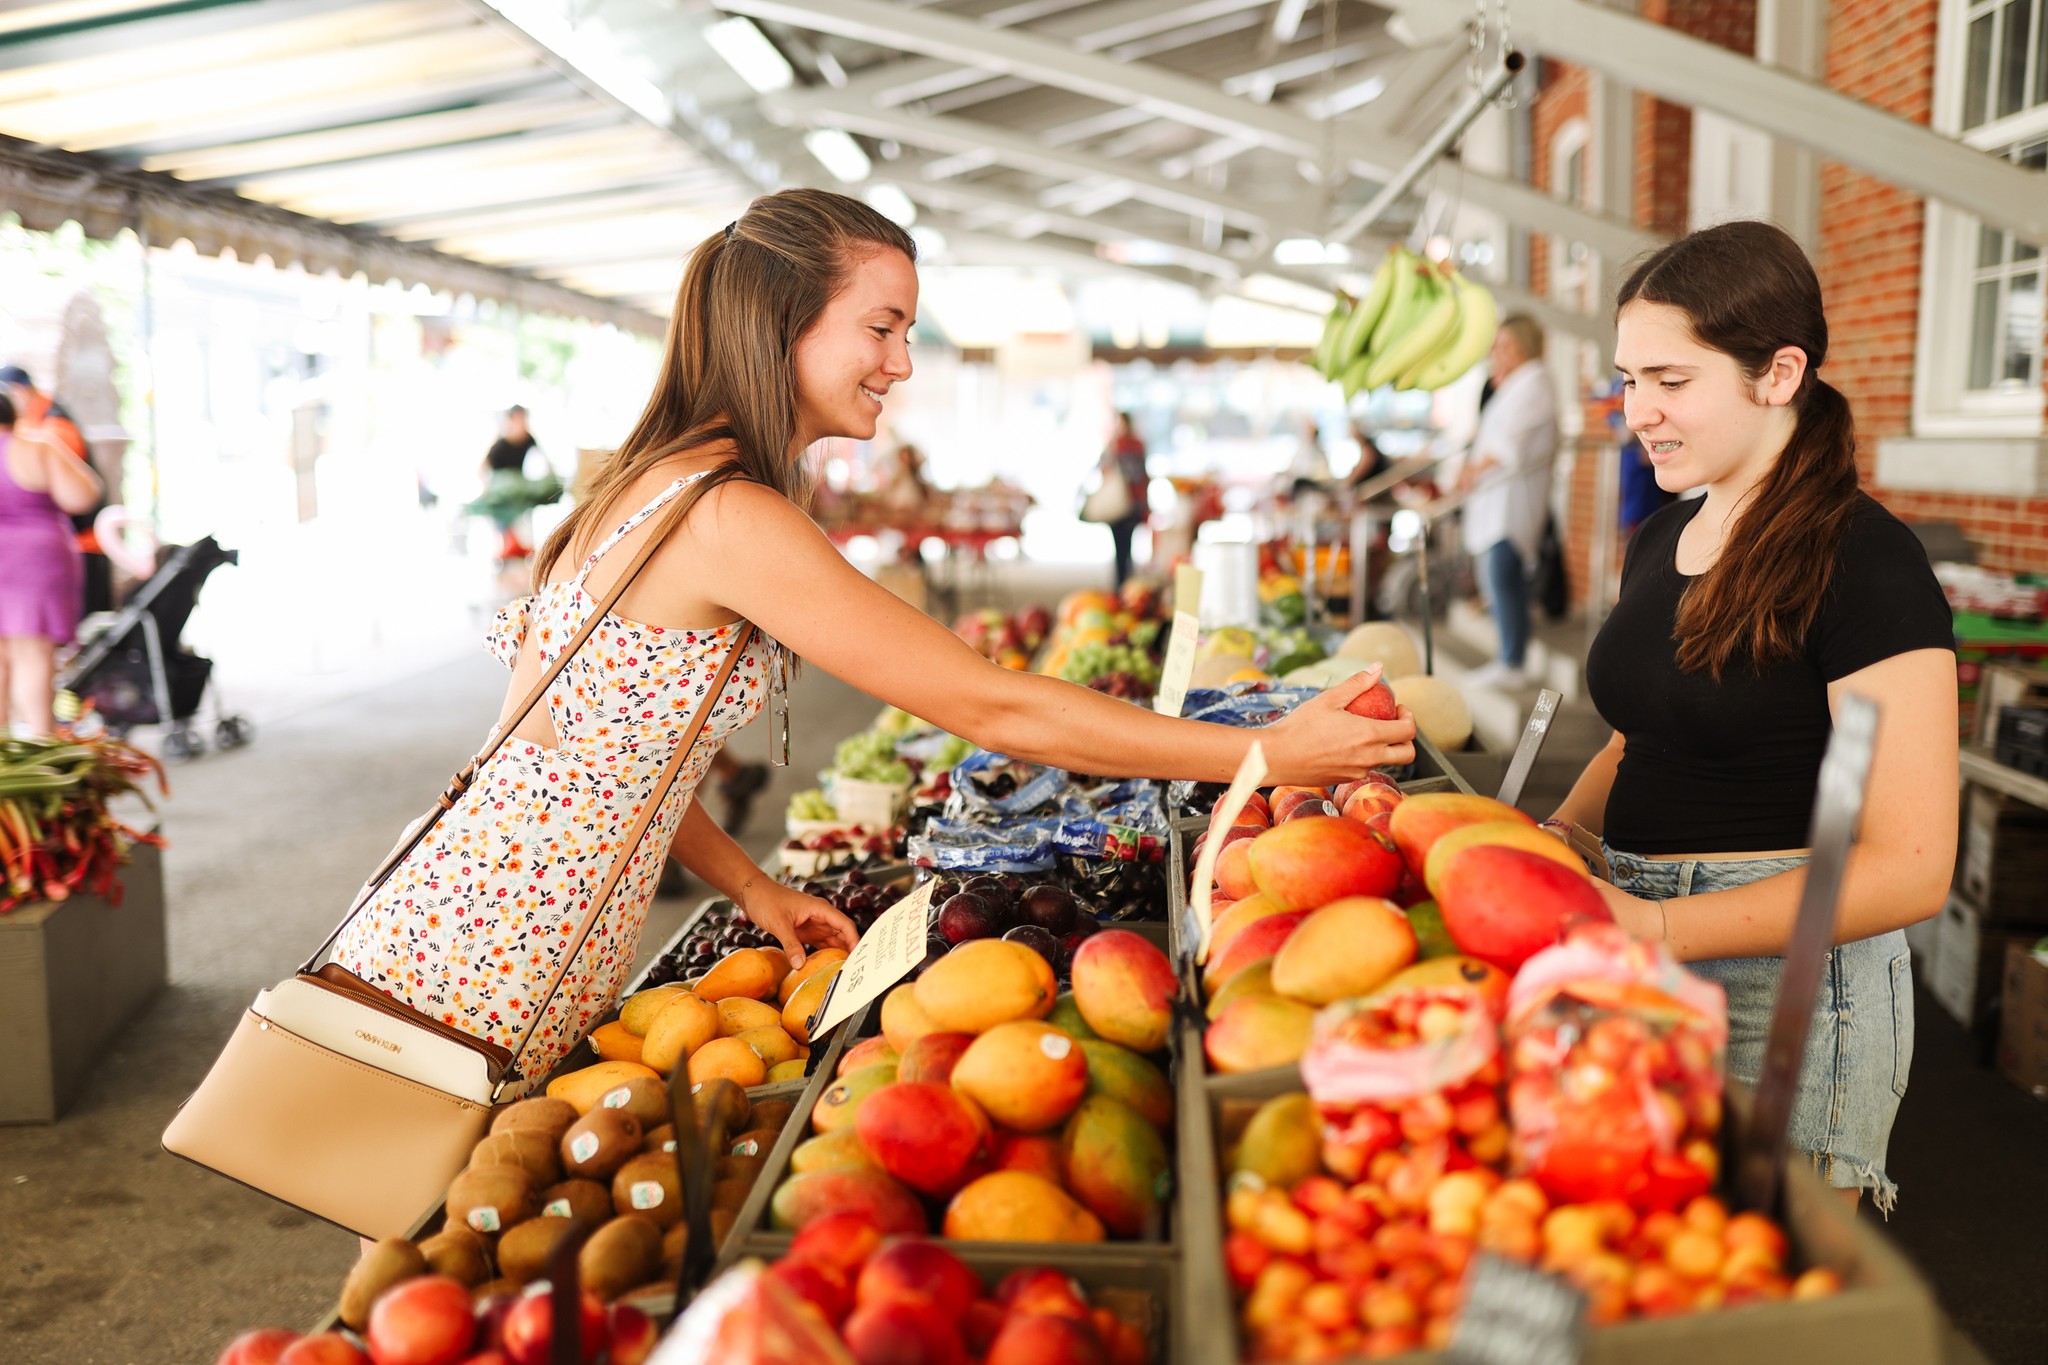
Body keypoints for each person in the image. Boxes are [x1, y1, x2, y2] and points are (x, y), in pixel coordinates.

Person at [331, 190, 1416, 1090]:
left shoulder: (644, 485)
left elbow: (588, 756)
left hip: (460, 919)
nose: (899, 362)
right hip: (497, 956)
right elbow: (991, 707)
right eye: (881, 326)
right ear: (782, 325)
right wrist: (1265, 755)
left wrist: (749, 888)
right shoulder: (729, 514)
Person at [1547, 220, 1956, 1213]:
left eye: (1668, 381)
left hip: (1782, 997)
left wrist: (1651, 922)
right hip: (1634, 952)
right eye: (1626, 379)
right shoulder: (1662, 536)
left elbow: (1908, 865)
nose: (1636, 411)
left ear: (1776, 374)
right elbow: (1636, 731)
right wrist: (1556, 838)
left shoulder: (1863, 564)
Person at [1455, 315, 1556, 689]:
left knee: (1504, 576)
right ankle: (1508, 656)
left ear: (1521, 345)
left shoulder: (1534, 382)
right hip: (1496, 497)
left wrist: (1473, 470)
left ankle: (1512, 660)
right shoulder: (1515, 384)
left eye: (1503, 344)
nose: (1496, 352)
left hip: (1511, 498)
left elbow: (1508, 443)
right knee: (1496, 578)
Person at [0, 393, 104, 737]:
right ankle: (41, 740)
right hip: (35, 561)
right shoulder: (36, 446)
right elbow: (82, 496)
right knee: (33, 653)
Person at [0, 365, 110, 616]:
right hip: (36, 559)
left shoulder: (53, 429)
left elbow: (79, 496)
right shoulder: (35, 438)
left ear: (18, 392)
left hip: (78, 545)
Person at [474, 406, 554, 562]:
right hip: (501, 490)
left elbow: (545, 460)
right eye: (518, 419)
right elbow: (483, 468)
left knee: (524, 519)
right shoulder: (501, 443)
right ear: (510, 420)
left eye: (523, 419)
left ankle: (522, 552)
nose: (521, 423)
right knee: (504, 527)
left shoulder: (529, 439)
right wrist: (489, 487)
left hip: (518, 489)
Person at [1101, 412, 1149, 587]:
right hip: (1123, 503)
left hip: (1130, 504)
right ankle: (1123, 582)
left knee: (1125, 547)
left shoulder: (1120, 445)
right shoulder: (1122, 445)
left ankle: (1125, 583)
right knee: (1122, 548)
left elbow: (1142, 475)